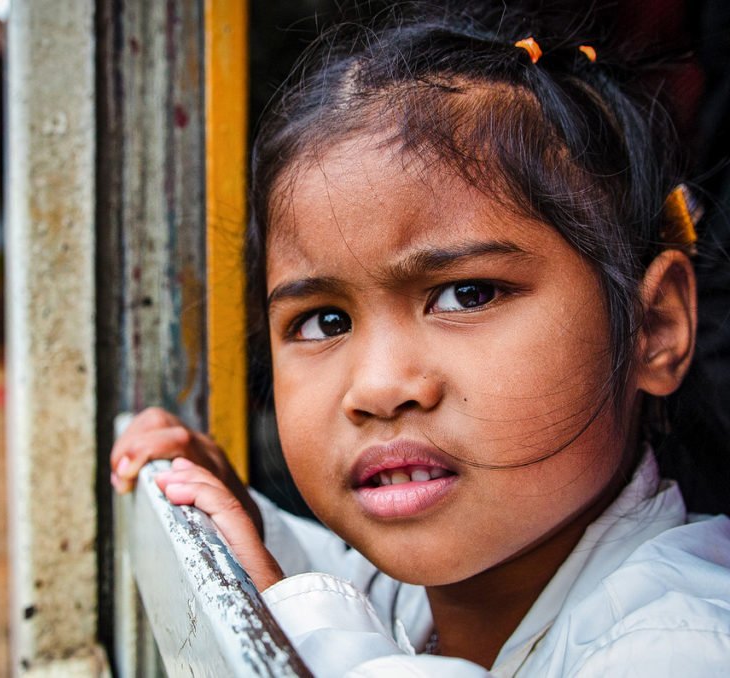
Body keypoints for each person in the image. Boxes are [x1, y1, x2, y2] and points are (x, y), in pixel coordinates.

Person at [111, 4, 730, 675]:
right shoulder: (437, 591)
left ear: (653, 327)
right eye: (325, 321)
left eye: (468, 294)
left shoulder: (683, 644)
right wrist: (254, 535)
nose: (377, 387)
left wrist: (291, 628)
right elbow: (360, 595)